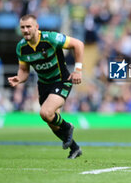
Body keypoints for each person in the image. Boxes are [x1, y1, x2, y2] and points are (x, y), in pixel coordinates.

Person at [8, 14, 84, 159]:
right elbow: (24, 71)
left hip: (61, 80)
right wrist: (19, 79)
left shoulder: (51, 38)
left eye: (28, 26)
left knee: (45, 113)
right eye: (22, 27)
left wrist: (78, 70)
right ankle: (75, 148)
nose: (25, 30)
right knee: (51, 122)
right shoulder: (21, 48)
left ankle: (68, 127)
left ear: (36, 27)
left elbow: (78, 44)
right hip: (44, 85)